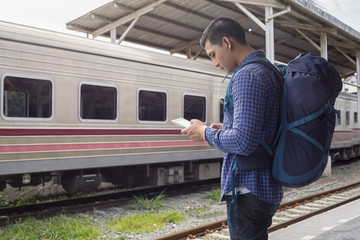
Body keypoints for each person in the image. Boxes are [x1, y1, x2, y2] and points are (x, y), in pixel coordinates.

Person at [181, 17, 283, 240]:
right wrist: (222, 127)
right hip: (264, 186)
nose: (215, 63)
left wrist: (205, 133)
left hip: (249, 189)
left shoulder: (246, 76)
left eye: (213, 54)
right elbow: (259, 127)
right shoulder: (267, 70)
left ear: (226, 42)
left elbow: (243, 142)